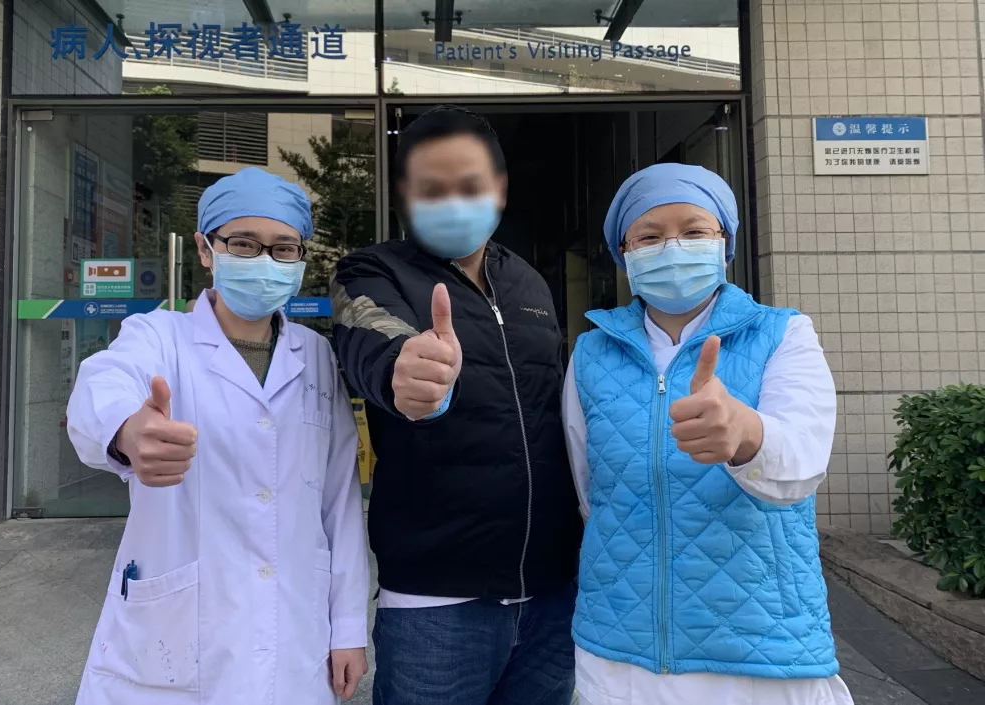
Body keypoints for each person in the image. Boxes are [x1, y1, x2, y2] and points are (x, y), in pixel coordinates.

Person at [66, 167, 370, 705]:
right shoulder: (158, 336)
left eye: (284, 248)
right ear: (206, 250)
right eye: (244, 244)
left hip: (296, 630)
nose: (265, 261)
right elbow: (102, 383)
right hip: (178, 633)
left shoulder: (317, 355)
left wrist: (347, 626)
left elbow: (339, 500)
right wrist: (127, 430)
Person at [563, 163, 852, 705]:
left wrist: (746, 435)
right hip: (620, 642)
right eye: (649, 237)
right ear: (624, 253)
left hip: (761, 642)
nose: (672, 248)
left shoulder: (782, 333)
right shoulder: (592, 351)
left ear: (725, 244)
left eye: (694, 231)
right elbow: (588, 488)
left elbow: (803, 465)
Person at [331, 106, 583, 705]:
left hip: (551, 592)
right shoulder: (370, 272)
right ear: (405, 195)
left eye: (469, 186)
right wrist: (407, 375)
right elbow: (374, 345)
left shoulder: (528, 282)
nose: (453, 202)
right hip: (435, 603)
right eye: (432, 189)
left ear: (500, 189)